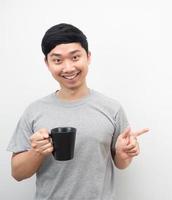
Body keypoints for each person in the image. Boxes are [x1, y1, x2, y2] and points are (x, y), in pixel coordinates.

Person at [7, 23, 149, 200]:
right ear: (47, 63)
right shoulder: (34, 111)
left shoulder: (112, 108)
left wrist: (124, 154)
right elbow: (17, 174)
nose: (68, 68)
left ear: (88, 57)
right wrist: (37, 151)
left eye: (75, 57)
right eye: (57, 60)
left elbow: (121, 163)